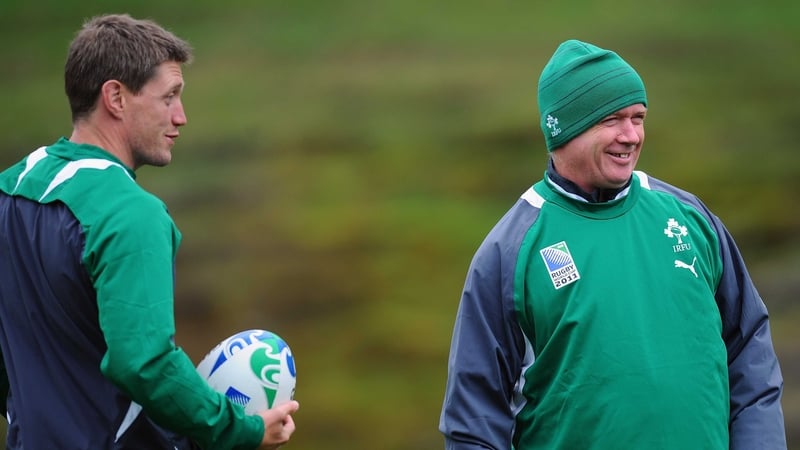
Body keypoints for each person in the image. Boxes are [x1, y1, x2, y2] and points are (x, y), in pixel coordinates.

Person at [439, 39, 786, 449]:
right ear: (565, 129)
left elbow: (749, 353)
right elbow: (474, 421)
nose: (631, 135)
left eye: (638, 117)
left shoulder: (688, 218)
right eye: (611, 120)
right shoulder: (510, 252)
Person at [0, 14, 299, 449]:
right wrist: (245, 429)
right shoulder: (130, 214)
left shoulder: (11, 188)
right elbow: (145, 364)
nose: (181, 117)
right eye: (169, 97)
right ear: (116, 97)